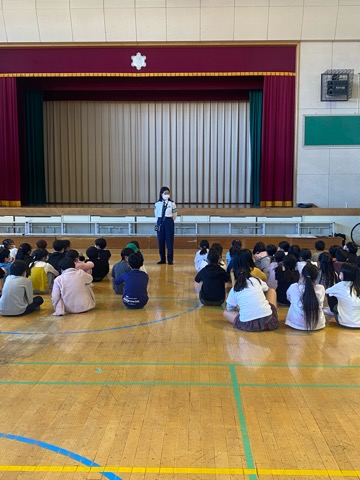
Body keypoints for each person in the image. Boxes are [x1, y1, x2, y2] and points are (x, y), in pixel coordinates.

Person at [223, 267, 279, 332]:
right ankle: (274, 314)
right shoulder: (257, 280)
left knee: (226, 312)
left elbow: (229, 308)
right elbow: (266, 289)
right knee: (271, 291)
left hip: (248, 324)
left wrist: (239, 308)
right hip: (268, 321)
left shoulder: (235, 288)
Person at [285, 264, 326, 331]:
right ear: (316, 277)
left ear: (301, 275)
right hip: (318, 324)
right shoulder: (321, 288)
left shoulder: (294, 287)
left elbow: (289, 298)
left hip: (296, 323)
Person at [326, 263, 360, 329]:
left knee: (331, 296)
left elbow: (326, 291)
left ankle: (329, 311)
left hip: (344, 322)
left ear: (342, 274)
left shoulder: (341, 285)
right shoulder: (358, 285)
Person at [154, 186, 177, 265]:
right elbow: (156, 214)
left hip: (169, 222)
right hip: (160, 222)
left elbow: (174, 215)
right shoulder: (157, 204)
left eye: (168, 193)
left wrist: (170, 221)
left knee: (169, 241)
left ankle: (170, 260)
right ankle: (162, 259)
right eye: (165, 193)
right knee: (160, 241)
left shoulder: (172, 203)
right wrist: (159, 222)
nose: (166, 195)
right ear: (161, 194)